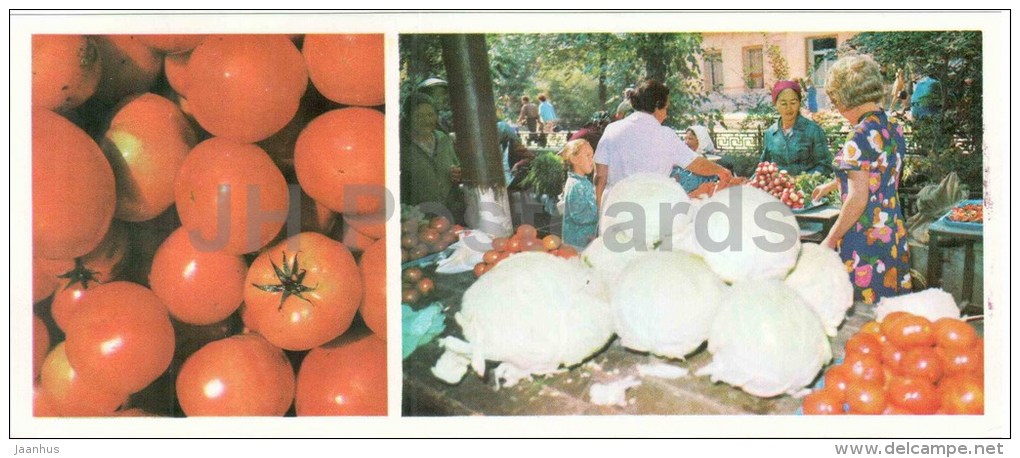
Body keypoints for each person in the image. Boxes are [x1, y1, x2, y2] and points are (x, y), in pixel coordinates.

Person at [811, 54, 912, 304]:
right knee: (890, 308)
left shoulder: (858, 137)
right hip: (891, 231)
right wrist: (833, 184)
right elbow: (878, 173)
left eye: (834, 100)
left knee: (866, 310)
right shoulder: (892, 129)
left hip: (864, 234)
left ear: (844, 99)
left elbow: (858, 197)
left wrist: (831, 239)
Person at [594, 79, 733, 210]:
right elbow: (695, 163)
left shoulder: (611, 129)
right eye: (666, 109)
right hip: (649, 209)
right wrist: (722, 171)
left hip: (614, 207)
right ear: (657, 107)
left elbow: (600, 176)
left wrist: (600, 210)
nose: (666, 115)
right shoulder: (665, 135)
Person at [400, 93, 465, 224]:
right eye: (419, 116)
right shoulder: (401, 146)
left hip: (452, 215)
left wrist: (458, 174)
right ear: (408, 118)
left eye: (430, 115)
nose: (427, 120)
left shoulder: (444, 139)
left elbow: (456, 167)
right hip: (420, 220)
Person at [760, 79, 832, 176]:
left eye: (793, 103)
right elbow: (764, 166)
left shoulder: (813, 131)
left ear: (799, 103)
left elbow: (825, 166)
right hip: (778, 189)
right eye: (783, 103)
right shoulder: (770, 133)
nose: (789, 108)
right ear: (775, 104)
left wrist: (802, 180)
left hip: (806, 189)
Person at [556, 139, 598, 249]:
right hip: (577, 244)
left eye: (592, 156)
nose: (592, 160)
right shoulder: (576, 185)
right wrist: (600, 209)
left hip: (584, 241)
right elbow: (580, 215)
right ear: (574, 159)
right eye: (587, 156)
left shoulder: (582, 182)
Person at [670, 125, 719, 192]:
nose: (686, 142)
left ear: (699, 140)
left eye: (690, 139)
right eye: (685, 138)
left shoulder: (705, 161)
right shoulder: (680, 158)